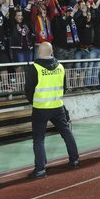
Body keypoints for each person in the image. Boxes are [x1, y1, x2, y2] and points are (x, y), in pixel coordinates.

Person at [23, 42, 80, 179]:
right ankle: (75, 159)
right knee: (66, 133)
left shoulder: (34, 68)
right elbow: (64, 87)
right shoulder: (60, 67)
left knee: (38, 139)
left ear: (39, 52)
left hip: (41, 108)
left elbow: (28, 90)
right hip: (57, 105)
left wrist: (34, 101)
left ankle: (41, 169)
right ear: (52, 51)